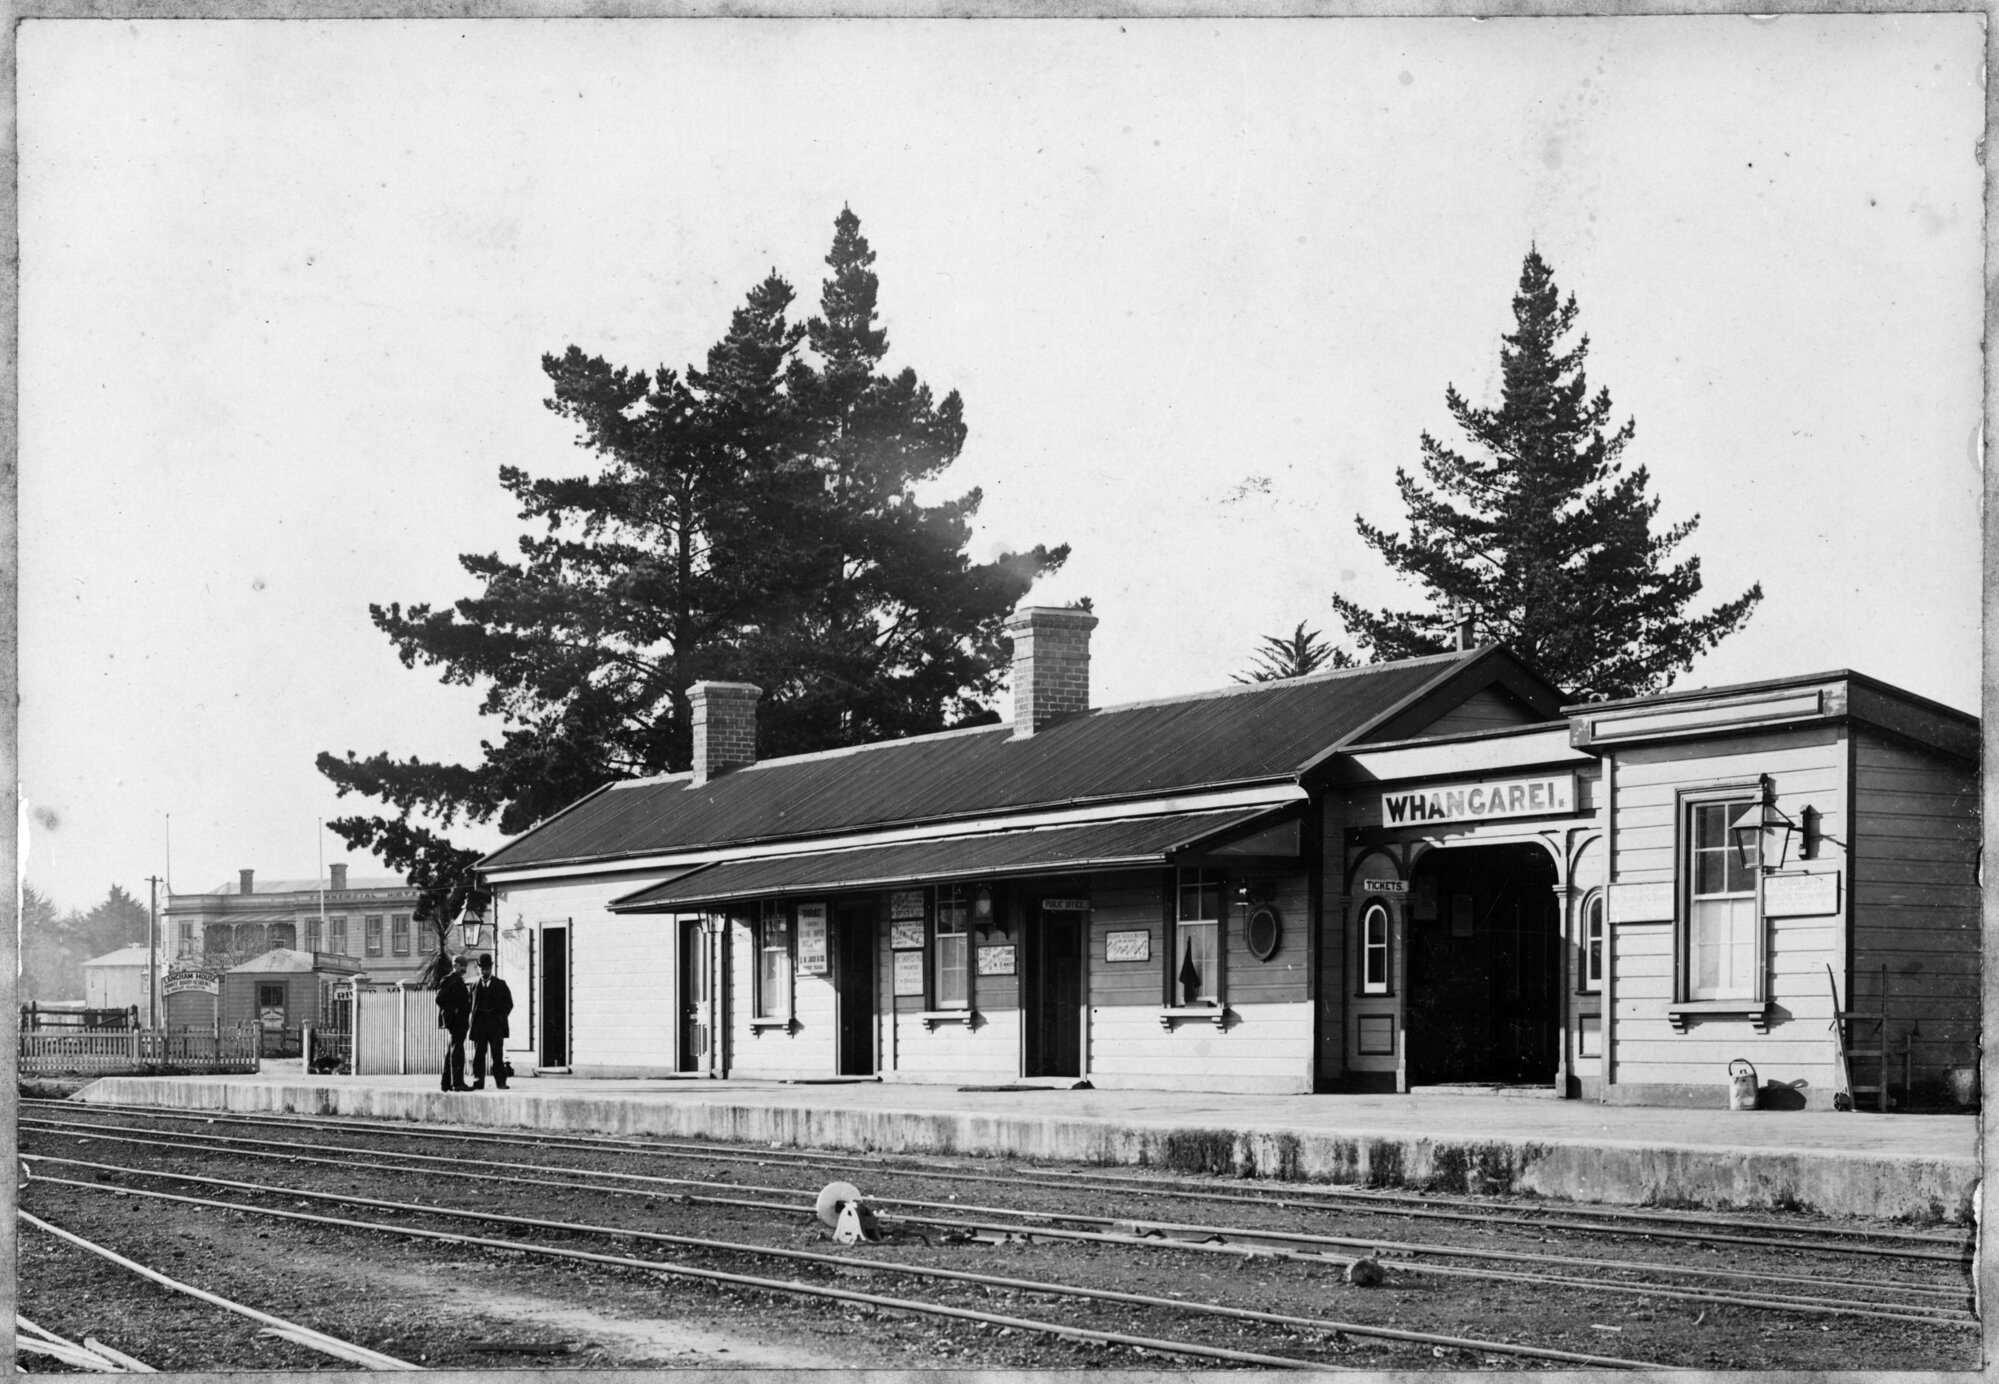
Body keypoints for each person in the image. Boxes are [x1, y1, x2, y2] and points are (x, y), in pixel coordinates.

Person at [467, 952, 514, 1090]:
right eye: (482, 969)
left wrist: (500, 1018)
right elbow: (470, 1005)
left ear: (491, 969)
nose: (484, 971)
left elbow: (509, 1004)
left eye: (487, 968)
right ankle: (478, 1081)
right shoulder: (474, 986)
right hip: (480, 1027)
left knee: (497, 1055)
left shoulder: (500, 984)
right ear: (478, 969)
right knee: (479, 1056)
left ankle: (501, 1082)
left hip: (495, 1027)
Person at [434, 954, 472, 1092]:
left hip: (461, 1021)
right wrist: (454, 1010)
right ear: (454, 965)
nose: (463, 969)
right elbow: (439, 999)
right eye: (460, 966)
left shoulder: (459, 980)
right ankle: (457, 1083)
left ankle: (446, 1083)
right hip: (455, 1021)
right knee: (457, 1051)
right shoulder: (449, 979)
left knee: (453, 1050)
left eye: (464, 966)